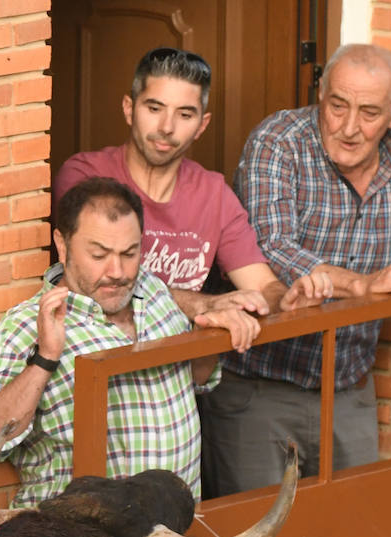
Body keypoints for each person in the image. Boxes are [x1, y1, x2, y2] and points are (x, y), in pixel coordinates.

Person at [204, 42, 391, 497]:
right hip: (258, 388)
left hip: (348, 391)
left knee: (353, 534)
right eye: (337, 105)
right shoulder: (278, 141)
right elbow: (271, 246)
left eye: (368, 112)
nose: (348, 127)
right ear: (320, 94)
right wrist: (362, 285)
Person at [0, 177, 258, 509]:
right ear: (62, 245)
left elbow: (193, 382)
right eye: (99, 254)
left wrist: (209, 339)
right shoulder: (26, 325)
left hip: (176, 534)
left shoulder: (156, 293)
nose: (117, 271)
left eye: (130, 253)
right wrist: (46, 357)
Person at [53, 47, 330, 342]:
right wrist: (204, 304)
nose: (166, 128)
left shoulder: (214, 194)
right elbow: (98, 285)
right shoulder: (85, 176)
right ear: (128, 108)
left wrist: (283, 301)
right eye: (154, 108)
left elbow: (261, 284)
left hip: (180, 375)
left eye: (185, 114)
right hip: (92, 357)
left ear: (202, 125)